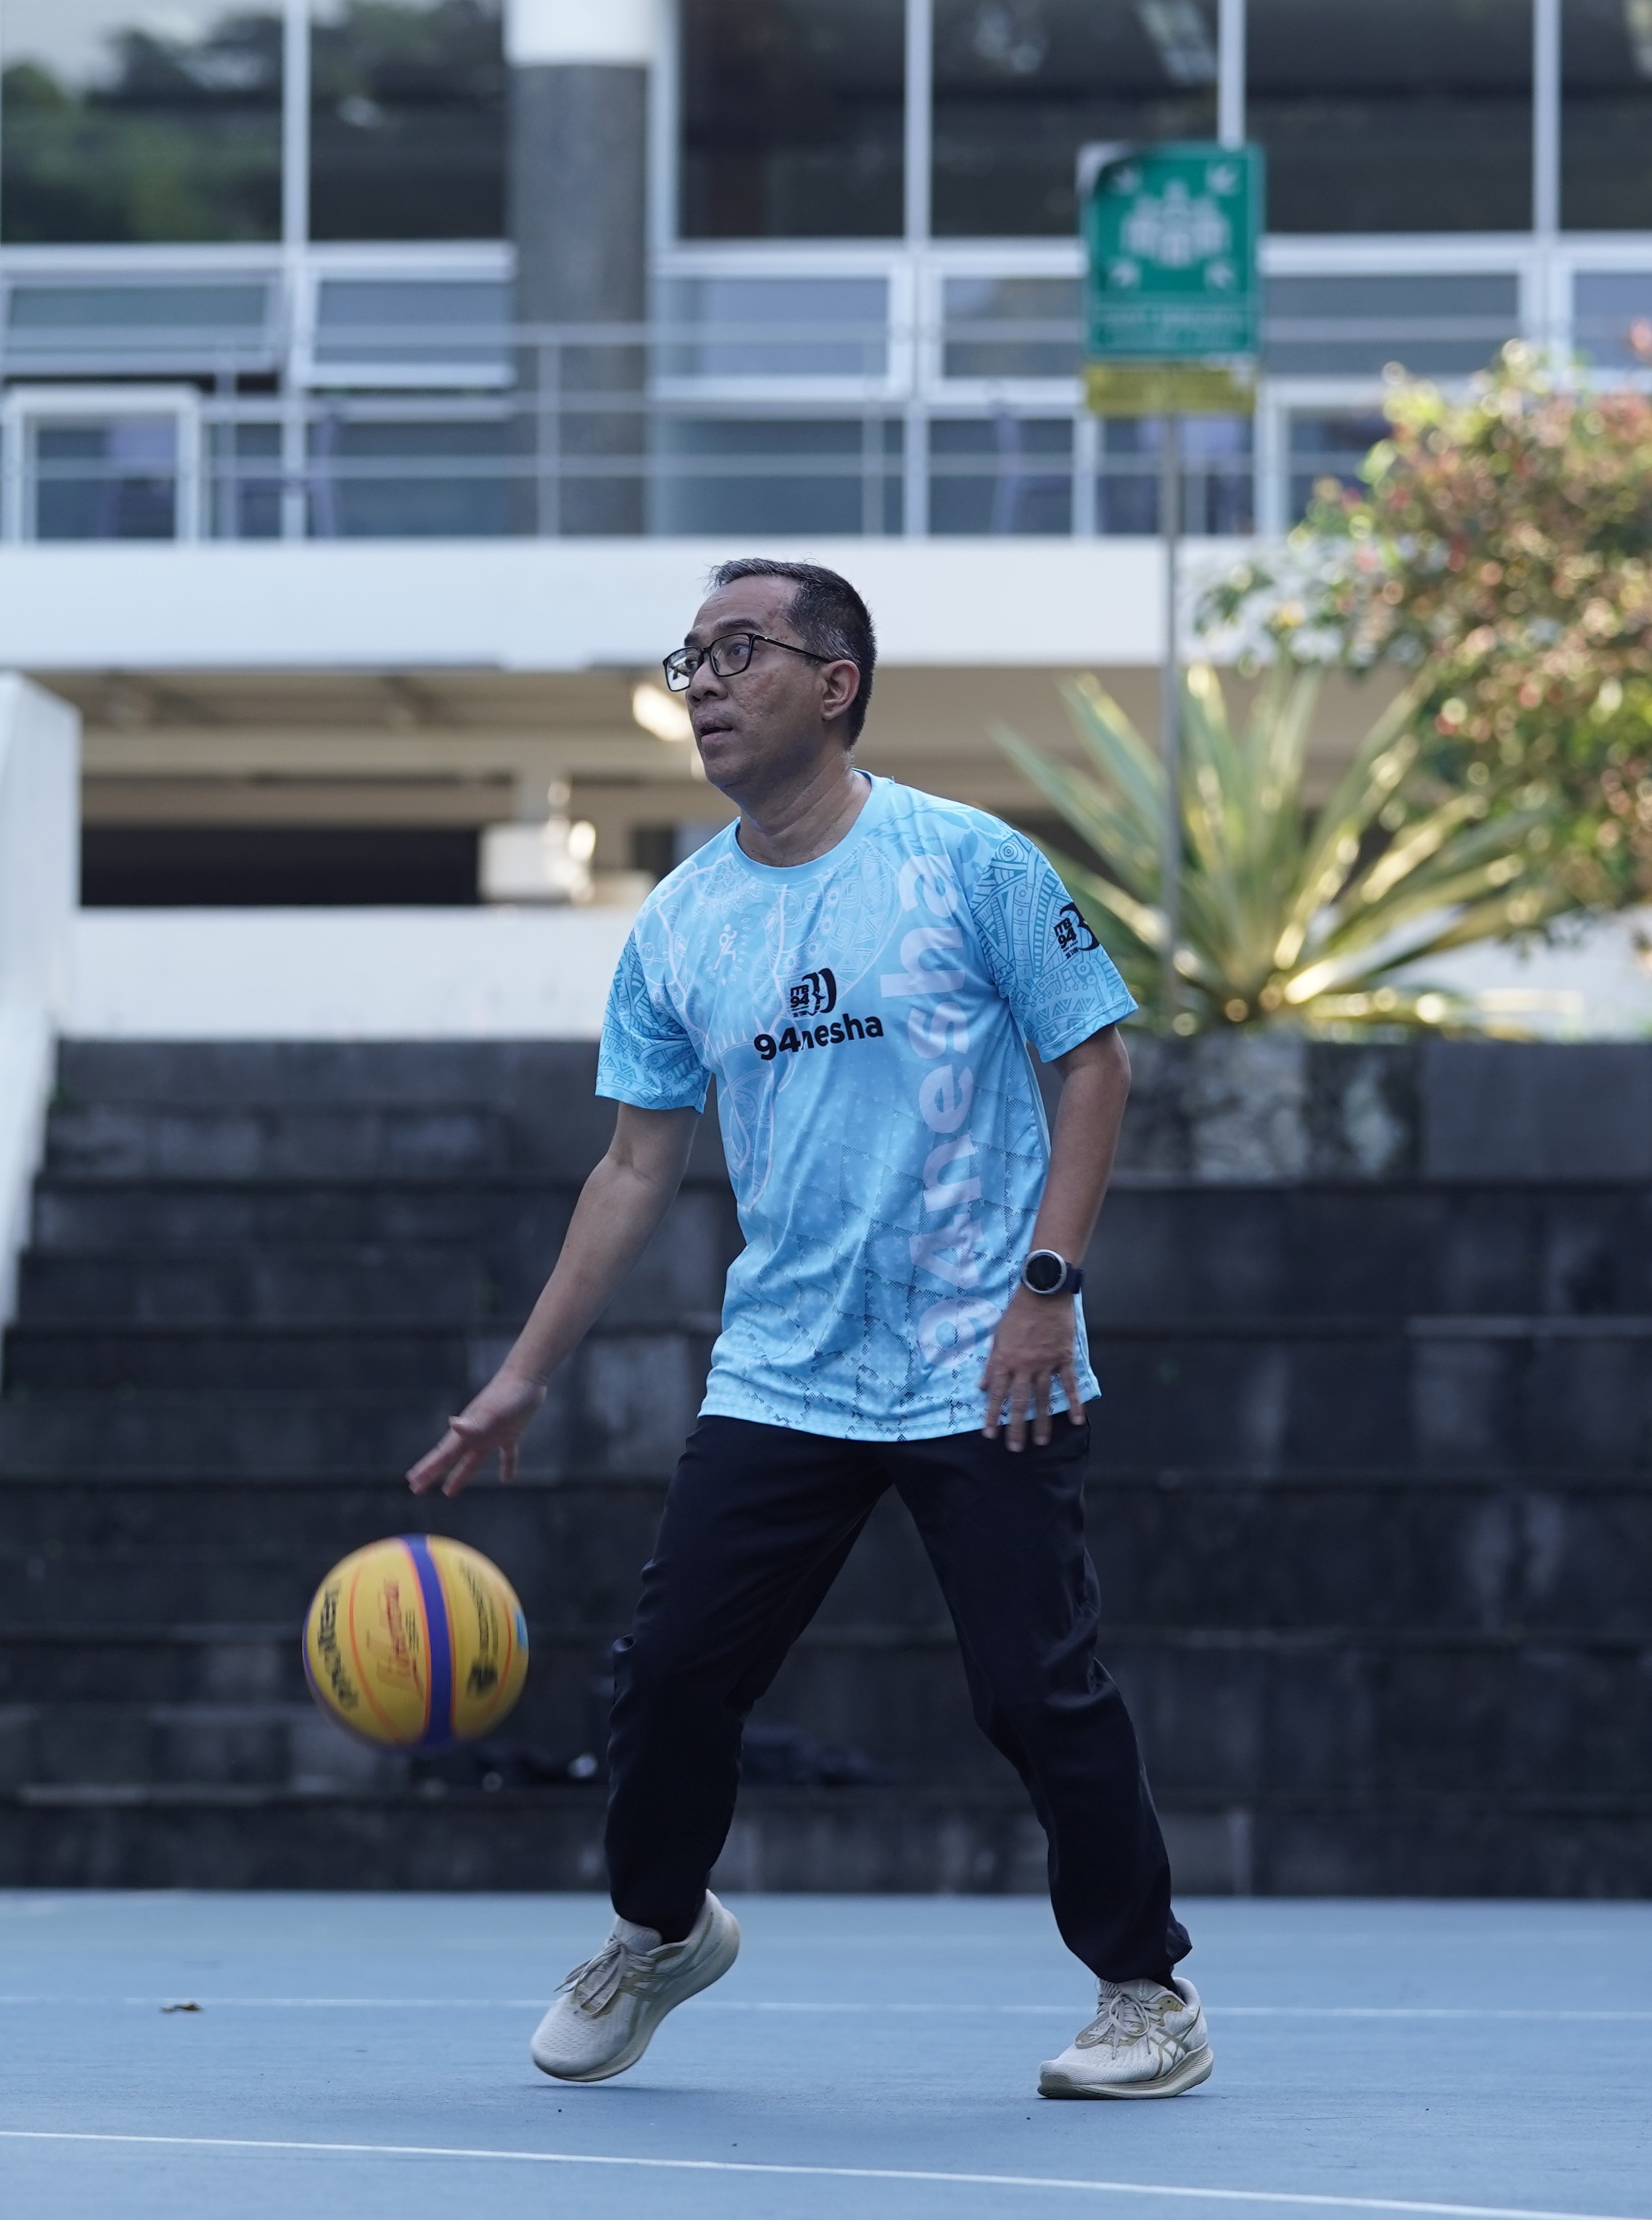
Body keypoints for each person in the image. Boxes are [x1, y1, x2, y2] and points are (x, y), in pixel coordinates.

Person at [406, 558, 1208, 2101]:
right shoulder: (678, 922)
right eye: (691, 658)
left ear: (835, 684)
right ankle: (660, 1930)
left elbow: (1095, 1064)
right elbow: (633, 1166)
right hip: (786, 1369)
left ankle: (1145, 1990)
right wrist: (520, 1377)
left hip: (983, 1351)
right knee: (669, 1674)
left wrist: (1046, 1289)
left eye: (739, 651)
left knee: (1037, 1688)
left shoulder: (966, 861)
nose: (704, 683)